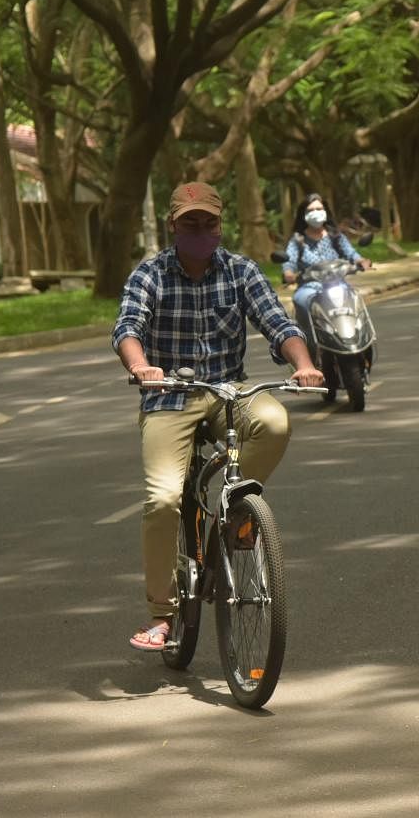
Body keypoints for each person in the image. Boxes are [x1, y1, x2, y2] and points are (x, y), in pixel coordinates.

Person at [113, 181, 325, 652]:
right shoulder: (150, 275)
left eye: (209, 222)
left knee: (274, 423)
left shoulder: (240, 271)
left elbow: (279, 323)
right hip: (169, 395)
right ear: (174, 226)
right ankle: (162, 614)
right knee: (164, 499)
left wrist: (303, 364)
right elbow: (128, 327)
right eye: (191, 223)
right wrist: (141, 366)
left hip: (229, 388)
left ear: (220, 225)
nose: (202, 230)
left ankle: (231, 514)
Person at [281, 193, 373, 349]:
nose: (316, 212)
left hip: (338, 284)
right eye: (311, 210)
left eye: (319, 208)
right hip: (309, 287)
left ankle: (362, 341)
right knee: (300, 300)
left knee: (355, 297)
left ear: (326, 211)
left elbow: (351, 253)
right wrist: (288, 273)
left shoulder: (335, 236)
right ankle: (308, 348)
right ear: (304, 215)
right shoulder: (298, 240)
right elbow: (289, 261)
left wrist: (361, 261)